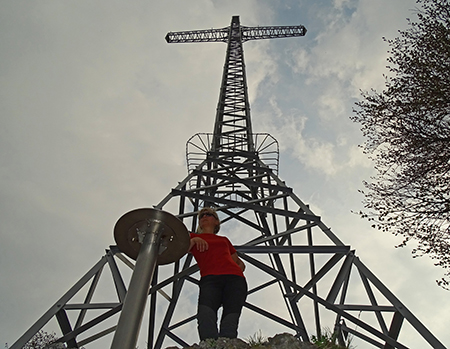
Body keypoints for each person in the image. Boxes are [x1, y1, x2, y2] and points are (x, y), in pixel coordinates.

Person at [189, 207, 247, 341]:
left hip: (235, 279)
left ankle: (227, 343)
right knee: (205, 314)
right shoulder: (192, 236)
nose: (204, 216)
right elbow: (178, 249)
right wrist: (193, 241)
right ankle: (209, 344)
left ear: (216, 222)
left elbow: (239, 262)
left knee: (231, 318)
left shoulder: (224, 240)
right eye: (201, 215)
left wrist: (234, 269)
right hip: (210, 279)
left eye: (208, 214)